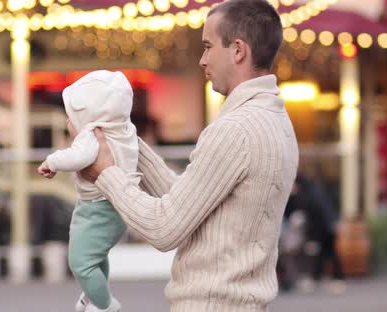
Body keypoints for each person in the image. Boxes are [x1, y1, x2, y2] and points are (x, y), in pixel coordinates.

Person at [81, 0, 299, 311]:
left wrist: (105, 174)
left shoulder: (236, 130)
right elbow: (190, 204)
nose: (202, 59)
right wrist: (128, 141)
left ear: (238, 50)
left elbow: (164, 227)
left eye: (208, 47)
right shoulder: (276, 120)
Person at [37, 70, 140, 312]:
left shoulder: (92, 135)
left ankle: (105, 306)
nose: (67, 123)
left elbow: (77, 156)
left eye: (70, 117)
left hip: (98, 207)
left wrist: (52, 161)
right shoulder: (124, 130)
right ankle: (95, 294)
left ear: (90, 117)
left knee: (80, 261)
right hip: (116, 206)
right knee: (96, 256)